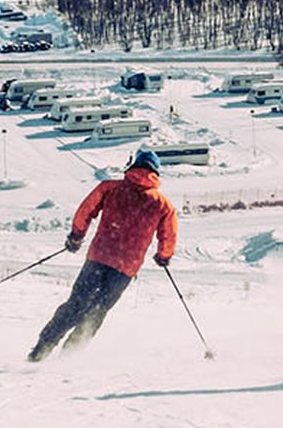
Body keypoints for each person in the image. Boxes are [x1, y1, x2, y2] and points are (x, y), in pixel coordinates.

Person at [30, 148, 179, 362]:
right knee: (98, 311)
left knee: (76, 304)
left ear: (133, 166)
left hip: (99, 257)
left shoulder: (110, 188)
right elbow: (169, 235)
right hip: (126, 268)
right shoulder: (163, 205)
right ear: (156, 173)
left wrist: (76, 236)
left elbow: (85, 210)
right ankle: (68, 357)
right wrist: (163, 256)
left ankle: (41, 350)